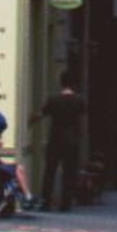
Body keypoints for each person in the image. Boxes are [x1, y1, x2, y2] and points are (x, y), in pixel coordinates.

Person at [37, 72, 86, 211]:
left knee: (50, 170)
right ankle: (66, 203)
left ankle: (46, 201)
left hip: (55, 138)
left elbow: (42, 113)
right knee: (69, 172)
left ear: (61, 82)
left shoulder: (53, 99)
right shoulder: (79, 100)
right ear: (73, 84)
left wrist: (32, 119)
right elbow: (82, 120)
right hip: (72, 140)